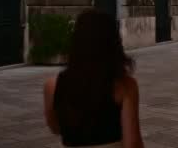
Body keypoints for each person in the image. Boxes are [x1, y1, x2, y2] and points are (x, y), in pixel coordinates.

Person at [43, 9, 144, 148]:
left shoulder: (52, 86)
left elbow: (56, 128)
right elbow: (132, 143)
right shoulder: (125, 86)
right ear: (113, 43)